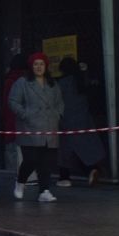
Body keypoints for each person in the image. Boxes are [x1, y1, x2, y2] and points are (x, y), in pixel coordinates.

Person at [9, 53, 63, 203]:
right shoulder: (22, 83)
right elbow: (13, 102)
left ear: (46, 66)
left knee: (46, 162)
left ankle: (44, 190)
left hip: (49, 126)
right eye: (35, 64)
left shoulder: (52, 84)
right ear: (31, 67)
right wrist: (25, 114)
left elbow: (60, 103)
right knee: (31, 159)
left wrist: (57, 115)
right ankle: (21, 181)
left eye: (41, 64)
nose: (39, 67)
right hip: (29, 128)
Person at [55, 57, 108, 187]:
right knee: (86, 148)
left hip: (66, 121)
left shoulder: (61, 84)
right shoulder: (82, 81)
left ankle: (65, 177)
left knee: (65, 152)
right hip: (84, 120)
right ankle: (93, 169)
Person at [1, 54, 29, 177]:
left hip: (10, 123)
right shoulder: (25, 82)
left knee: (12, 152)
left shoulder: (9, 81)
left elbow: (5, 105)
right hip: (22, 124)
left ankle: (13, 176)